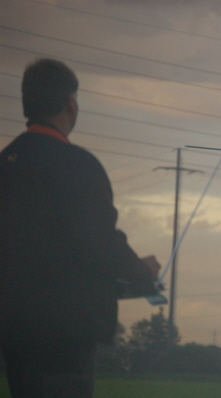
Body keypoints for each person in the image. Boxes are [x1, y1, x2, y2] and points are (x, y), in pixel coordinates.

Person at [0, 58, 161, 397]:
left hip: (13, 330)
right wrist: (141, 270)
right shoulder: (77, 165)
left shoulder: (6, 163)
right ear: (70, 104)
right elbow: (99, 245)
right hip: (65, 335)